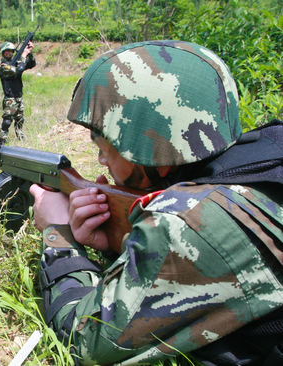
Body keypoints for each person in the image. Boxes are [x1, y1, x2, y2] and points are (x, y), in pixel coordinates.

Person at [29, 40, 283, 365]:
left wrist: (58, 235)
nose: (101, 162)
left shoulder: (187, 221)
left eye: (105, 148)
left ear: (151, 151)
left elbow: (82, 341)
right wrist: (118, 239)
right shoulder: (265, 156)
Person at [0, 40, 36, 140]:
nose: (9, 53)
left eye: (11, 51)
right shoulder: (3, 67)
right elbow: (18, 70)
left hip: (19, 97)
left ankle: (20, 137)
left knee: (20, 119)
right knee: (7, 121)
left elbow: (31, 64)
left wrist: (29, 52)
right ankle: (2, 140)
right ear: (3, 53)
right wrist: (23, 56)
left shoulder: (17, 62)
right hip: (10, 99)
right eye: (6, 51)